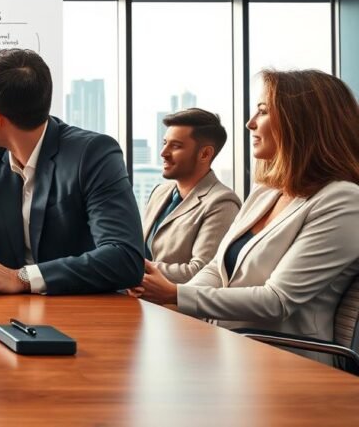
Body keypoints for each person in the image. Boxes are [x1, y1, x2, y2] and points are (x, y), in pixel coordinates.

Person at [135, 69, 359, 365]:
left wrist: (175, 294)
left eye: (263, 112)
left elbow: (278, 300)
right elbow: (217, 268)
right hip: (229, 348)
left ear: (302, 122)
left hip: (286, 363)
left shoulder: (343, 199)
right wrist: (171, 296)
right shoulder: (267, 191)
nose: (250, 123)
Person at [0, 48, 143, 295]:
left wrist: (22, 277)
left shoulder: (92, 154)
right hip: (12, 316)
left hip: (84, 312)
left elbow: (125, 258)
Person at [137, 109, 240, 284]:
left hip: (177, 308)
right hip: (140, 299)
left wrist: (134, 268)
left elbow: (200, 271)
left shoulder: (222, 202)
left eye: (175, 146)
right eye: (164, 143)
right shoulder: (159, 192)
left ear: (205, 154)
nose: (163, 153)